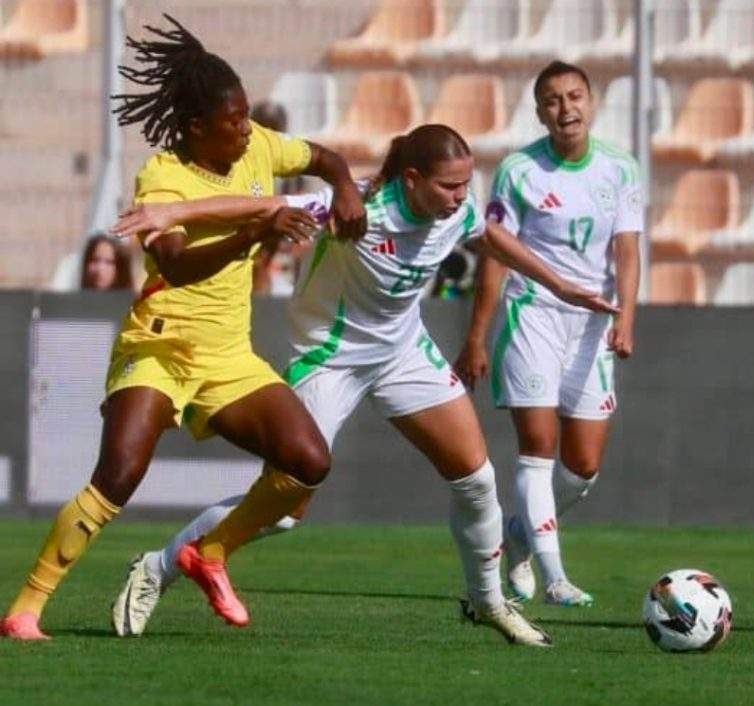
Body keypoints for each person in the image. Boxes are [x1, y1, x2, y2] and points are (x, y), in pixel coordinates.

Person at [107, 123, 619, 646]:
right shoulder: (358, 208)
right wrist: (173, 212)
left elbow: (487, 235)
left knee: (477, 479)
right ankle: (157, 567)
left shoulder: (457, 209)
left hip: (402, 352)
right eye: (449, 186)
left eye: (466, 185)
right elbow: (260, 207)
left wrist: (560, 285)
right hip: (331, 358)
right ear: (412, 179)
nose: (461, 196)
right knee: (286, 509)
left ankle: (489, 602)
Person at [0, 15, 366, 641]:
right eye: (233, 120)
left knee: (308, 461)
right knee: (118, 476)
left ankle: (210, 551)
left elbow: (326, 158)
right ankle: (26, 609)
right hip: (160, 346)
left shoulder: (258, 146)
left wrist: (346, 187)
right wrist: (252, 233)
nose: (246, 128)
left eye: (246, 115)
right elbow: (173, 262)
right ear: (197, 127)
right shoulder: (163, 177)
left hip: (228, 356)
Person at [454, 61, 643, 608]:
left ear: (591, 103)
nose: (566, 109)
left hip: (592, 321)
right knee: (538, 449)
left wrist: (626, 318)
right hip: (532, 314)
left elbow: (628, 251)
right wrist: (477, 336)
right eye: (553, 100)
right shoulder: (518, 171)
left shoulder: (621, 168)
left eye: (575, 96)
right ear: (540, 112)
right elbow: (496, 256)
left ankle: (519, 535)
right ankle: (555, 574)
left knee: (582, 468)